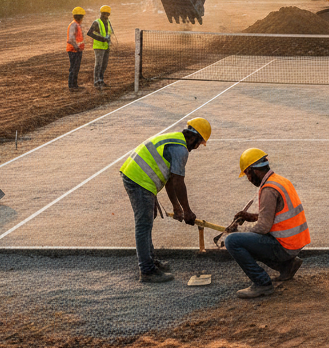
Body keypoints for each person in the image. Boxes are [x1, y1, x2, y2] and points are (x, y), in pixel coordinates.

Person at [119, 117, 211, 283]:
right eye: (199, 143)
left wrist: (177, 207)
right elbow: (178, 181)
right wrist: (187, 211)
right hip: (138, 178)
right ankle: (147, 270)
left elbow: (169, 179)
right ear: (193, 138)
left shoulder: (175, 139)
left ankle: (150, 261)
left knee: (146, 222)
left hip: (137, 176)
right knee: (143, 224)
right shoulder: (181, 149)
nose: (197, 147)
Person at [222, 147, 310, 299]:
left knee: (233, 241)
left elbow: (263, 228)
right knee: (249, 240)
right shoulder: (279, 180)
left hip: (285, 246)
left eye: (247, 175)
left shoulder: (269, 189)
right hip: (295, 242)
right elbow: (277, 215)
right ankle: (287, 266)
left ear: (252, 170)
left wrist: (239, 233)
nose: (248, 180)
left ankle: (262, 283)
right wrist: (251, 217)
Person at [87, 4, 113, 88]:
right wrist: (101, 39)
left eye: (108, 14)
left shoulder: (108, 22)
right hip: (98, 47)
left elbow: (109, 33)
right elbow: (89, 33)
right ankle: (96, 81)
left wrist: (109, 40)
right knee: (98, 64)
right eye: (105, 14)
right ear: (101, 13)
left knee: (104, 64)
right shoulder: (96, 22)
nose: (106, 16)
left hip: (106, 46)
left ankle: (101, 80)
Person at [67, 7, 86, 91]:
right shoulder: (74, 25)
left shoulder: (76, 24)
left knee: (75, 68)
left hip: (75, 50)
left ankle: (74, 84)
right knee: (74, 68)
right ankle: (72, 85)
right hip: (74, 50)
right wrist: (77, 47)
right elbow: (71, 39)